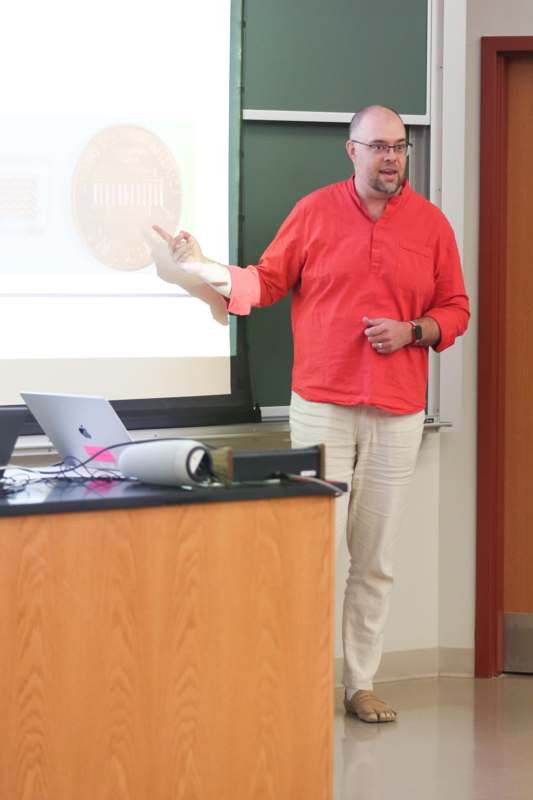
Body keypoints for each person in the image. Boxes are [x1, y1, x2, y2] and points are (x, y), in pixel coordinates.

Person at [153, 105, 470, 723]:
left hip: (398, 411)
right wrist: (203, 266)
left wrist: (414, 330)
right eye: (378, 147)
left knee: (374, 558)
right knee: (310, 551)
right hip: (322, 405)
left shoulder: (432, 225)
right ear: (350, 151)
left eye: (400, 148)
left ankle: (361, 684)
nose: (391, 159)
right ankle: (298, 681)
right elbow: (265, 282)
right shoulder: (314, 212)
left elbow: (456, 308)